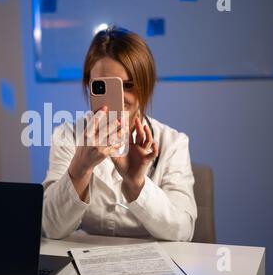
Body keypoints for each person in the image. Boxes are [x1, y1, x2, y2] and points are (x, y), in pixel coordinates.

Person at [42, 26, 197, 241]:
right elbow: (49, 228)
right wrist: (80, 167)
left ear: (147, 85)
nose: (120, 97)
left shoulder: (173, 143)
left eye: (129, 85)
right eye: (104, 86)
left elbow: (182, 232)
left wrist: (137, 183)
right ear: (89, 85)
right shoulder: (67, 135)